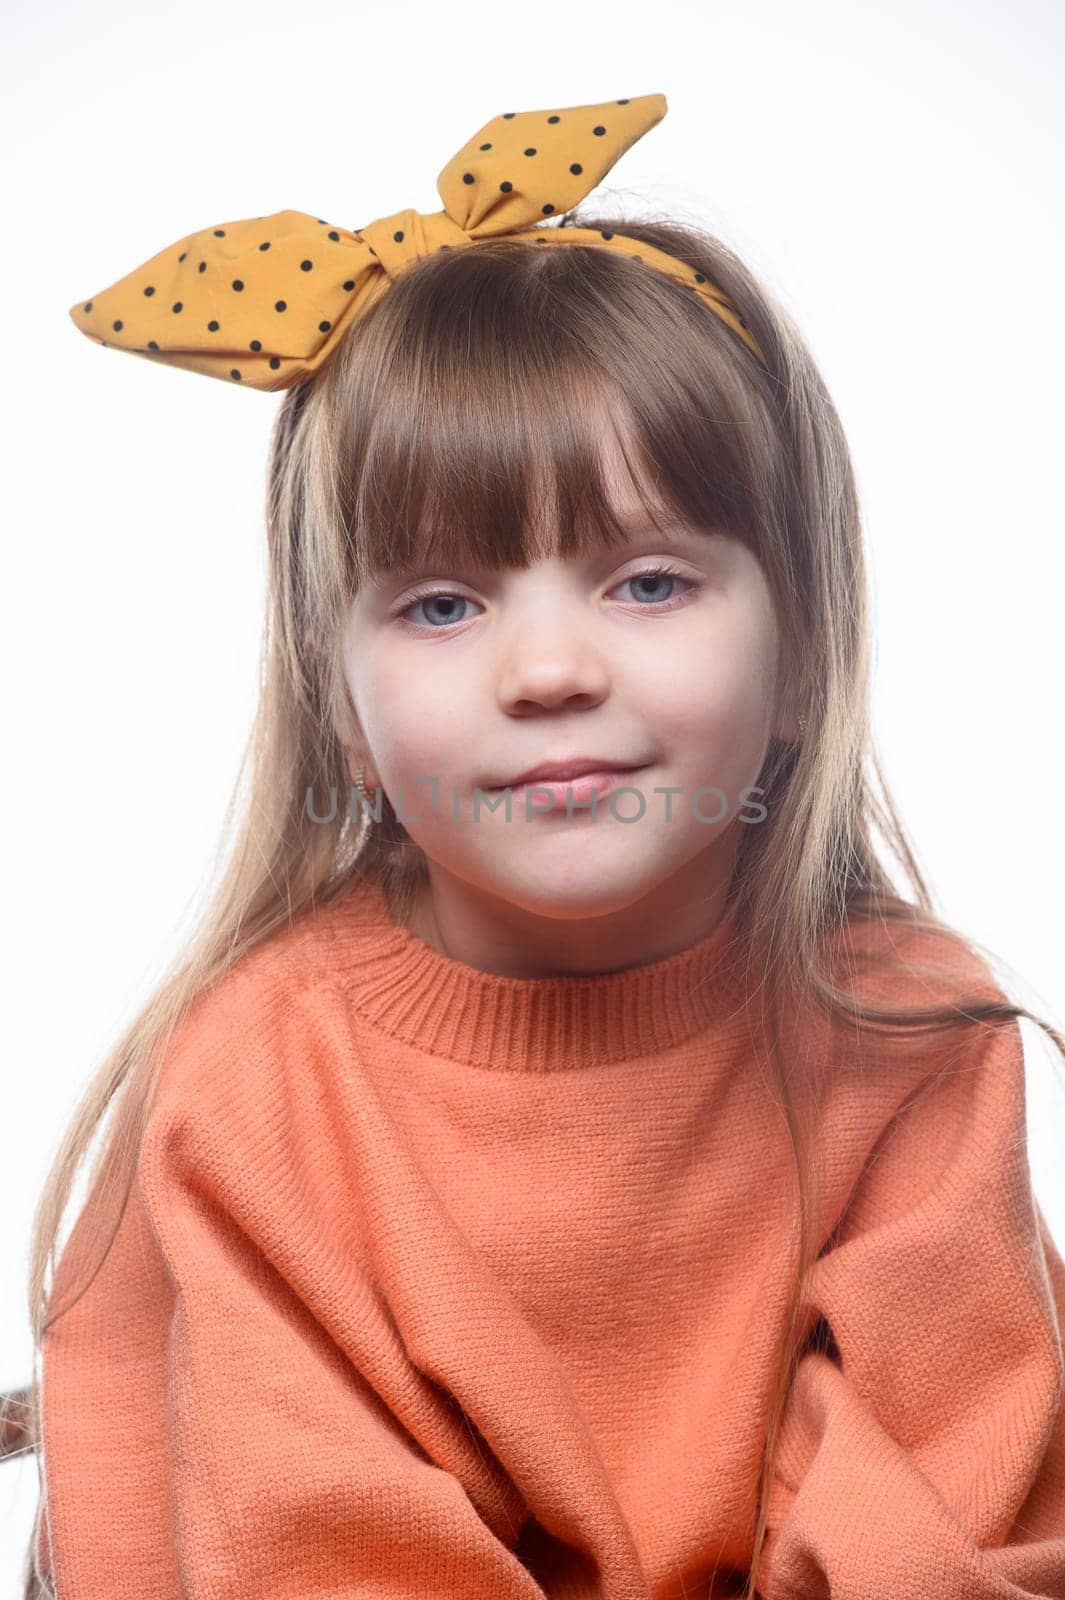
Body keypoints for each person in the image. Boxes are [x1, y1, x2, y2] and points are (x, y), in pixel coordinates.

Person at [21, 93, 1065, 1599]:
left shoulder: (904, 1033)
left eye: (646, 582)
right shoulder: (256, 1083)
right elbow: (311, 1552)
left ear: (804, 655)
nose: (548, 669)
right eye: (442, 604)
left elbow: (938, 1520)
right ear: (337, 694)